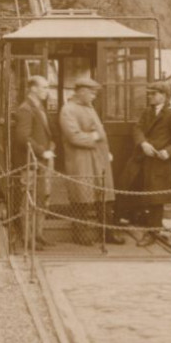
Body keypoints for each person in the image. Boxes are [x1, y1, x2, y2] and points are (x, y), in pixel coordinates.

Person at [118, 80, 171, 246]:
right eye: (149, 93)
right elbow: (137, 129)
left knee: (155, 200)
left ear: (164, 96)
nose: (150, 96)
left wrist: (168, 152)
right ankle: (129, 221)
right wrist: (143, 143)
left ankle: (153, 233)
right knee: (129, 187)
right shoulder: (148, 112)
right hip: (141, 160)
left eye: (154, 94)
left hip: (159, 163)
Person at [59, 75, 115, 245]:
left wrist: (107, 152)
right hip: (81, 161)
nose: (94, 96)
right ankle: (80, 236)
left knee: (104, 198)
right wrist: (95, 136)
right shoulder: (68, 110)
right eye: (91, 93)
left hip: (99, 159)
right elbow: (74, 137)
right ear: (81, 92)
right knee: (82, 199)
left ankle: (108, 234)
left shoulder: (89, 107)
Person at [13, 75, 55, 249]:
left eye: (47, 87)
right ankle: (28, 238)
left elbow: (44, 132)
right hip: (31, 162)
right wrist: (42, 151)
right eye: (44, 88)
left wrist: (51, 146)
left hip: (43, 160)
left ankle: (38, 235)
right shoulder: (26, 109)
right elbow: (23, 137)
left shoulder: (38, 107)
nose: (47, 91)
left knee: (42, 198)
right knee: (29, 200)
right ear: (33, 89)